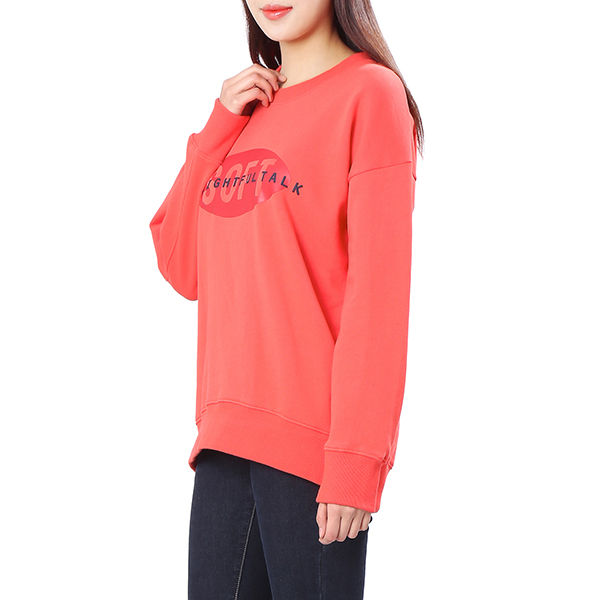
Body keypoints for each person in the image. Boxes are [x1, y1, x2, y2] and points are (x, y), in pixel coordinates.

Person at [149, 0, 423, 598]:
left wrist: (356, 462)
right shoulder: (245, 112)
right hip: (222, 442)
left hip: (314, 454)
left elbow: (379, 296)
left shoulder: (370, 94)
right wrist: (219, 125)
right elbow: (179, 264)